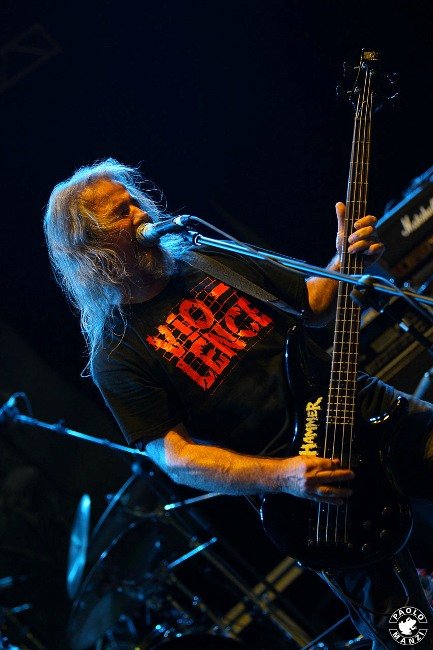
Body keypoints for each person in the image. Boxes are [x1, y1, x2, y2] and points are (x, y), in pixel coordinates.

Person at [44, 158, 433, 649]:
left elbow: (312, 304)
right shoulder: (117, 355)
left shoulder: (207, 258)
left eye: (135, 202)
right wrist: (284, 476)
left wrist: (345, 260)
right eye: (121, 214)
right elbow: (176, 457)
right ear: (93, 249)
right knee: (408, 631)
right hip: (316, 491)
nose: (142, 214)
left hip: (367, 410)